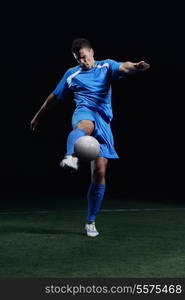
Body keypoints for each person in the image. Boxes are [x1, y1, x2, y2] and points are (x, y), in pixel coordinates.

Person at [30, 38, 150, 237]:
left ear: (92, 52)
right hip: (84, 112)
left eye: (84, 57)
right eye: (78, 59)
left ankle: (90, 221)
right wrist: (38, 115)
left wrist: (136, 67)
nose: (82, 62)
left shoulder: (105, 66)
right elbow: (54, 97)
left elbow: (124, 67)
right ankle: (70, 156)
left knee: (100, 173)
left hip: (104, 123)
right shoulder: (72, 74)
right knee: (85, 126)